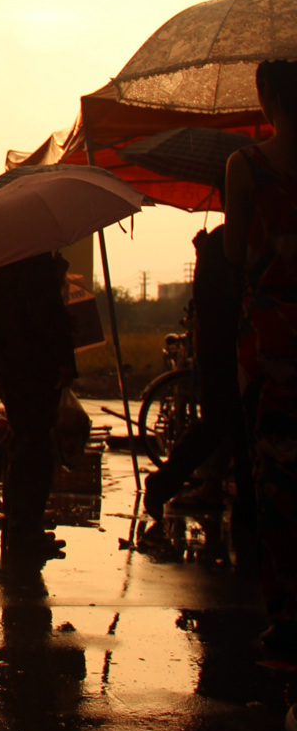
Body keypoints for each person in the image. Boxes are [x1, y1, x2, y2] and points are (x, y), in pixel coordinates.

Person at [225, 59, 297, 668]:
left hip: (270, 337)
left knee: (274, 474)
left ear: (268, 95)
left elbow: (233, 252)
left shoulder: (246, 164)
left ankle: (286, 611)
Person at [142, 223, 250, 525]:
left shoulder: (220, 243)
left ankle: (244, 509)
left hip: (223, 350)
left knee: (229, 427)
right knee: (228, 425)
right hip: (228, 350)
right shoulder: (230, 244)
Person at [0, 250, 76, 564]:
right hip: (33, 364)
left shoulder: (7, 258)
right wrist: (65, 359)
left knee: (23, 442)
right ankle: (25, 530)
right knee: (34, 449)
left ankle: (19, 525)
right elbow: (47, 315)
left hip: (9, 362)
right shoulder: (34, 261)